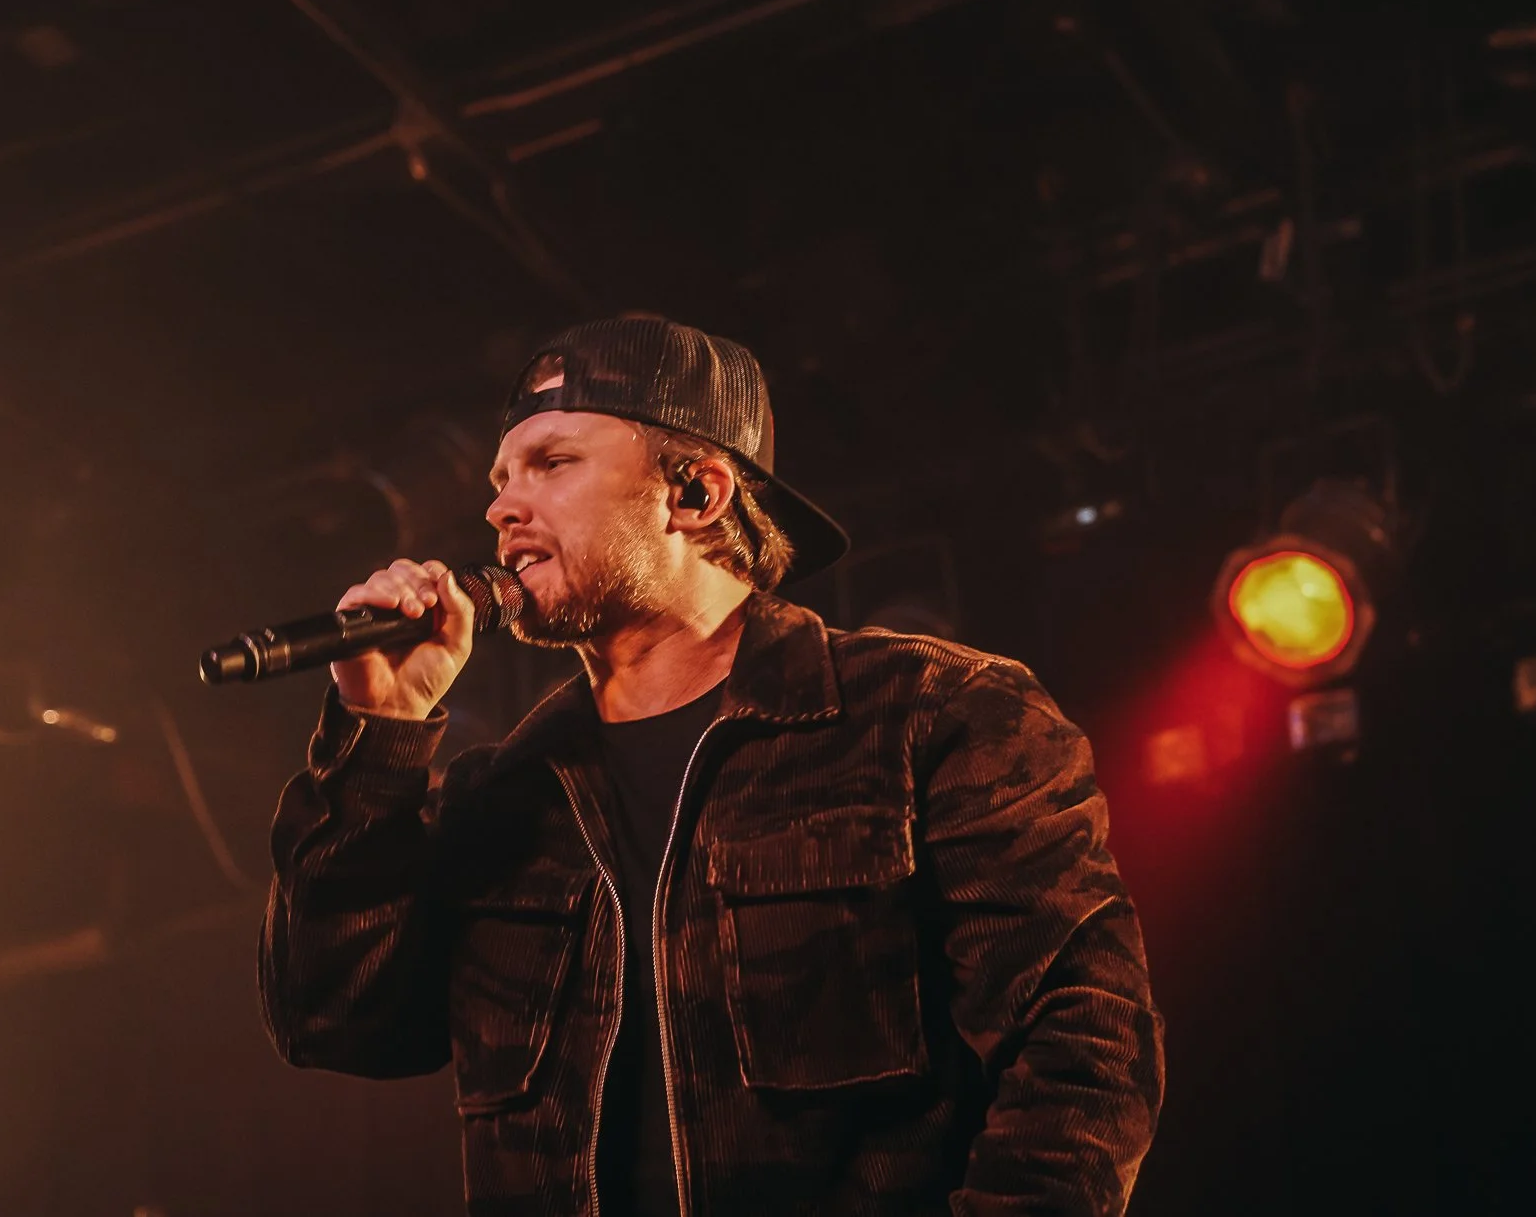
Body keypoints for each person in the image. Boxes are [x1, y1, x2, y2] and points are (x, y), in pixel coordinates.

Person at [259, 318, 1162, 1216]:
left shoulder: (931, 714)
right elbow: (332, 1021)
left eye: (552, 463)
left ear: (695, 493)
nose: (501, 509)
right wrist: (379, 738)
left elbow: (1085, 1039)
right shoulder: (500, 796)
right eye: (501, 479)